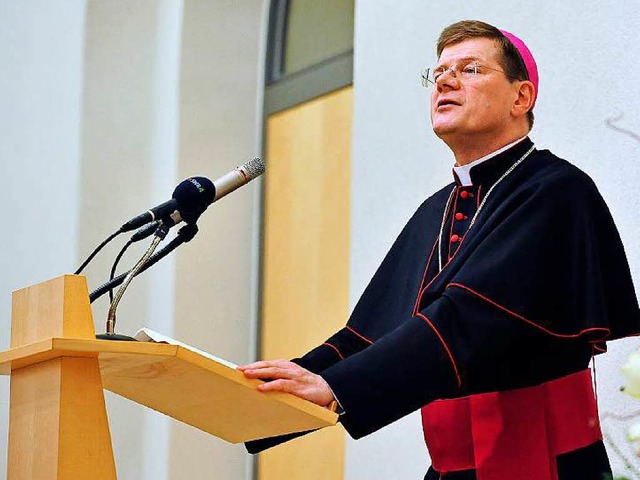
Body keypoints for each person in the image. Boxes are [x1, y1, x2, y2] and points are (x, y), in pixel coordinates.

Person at [238, 20, 640, 480]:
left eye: (470, 69)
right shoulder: (436, 210)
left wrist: (336, 388)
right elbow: (367, 336)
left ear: (521, 98)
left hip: (547, 461)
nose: (446, 81)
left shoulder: (556, 190)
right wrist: (261, 396)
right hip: (454, 467)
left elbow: (465, 320)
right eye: (439, 72)